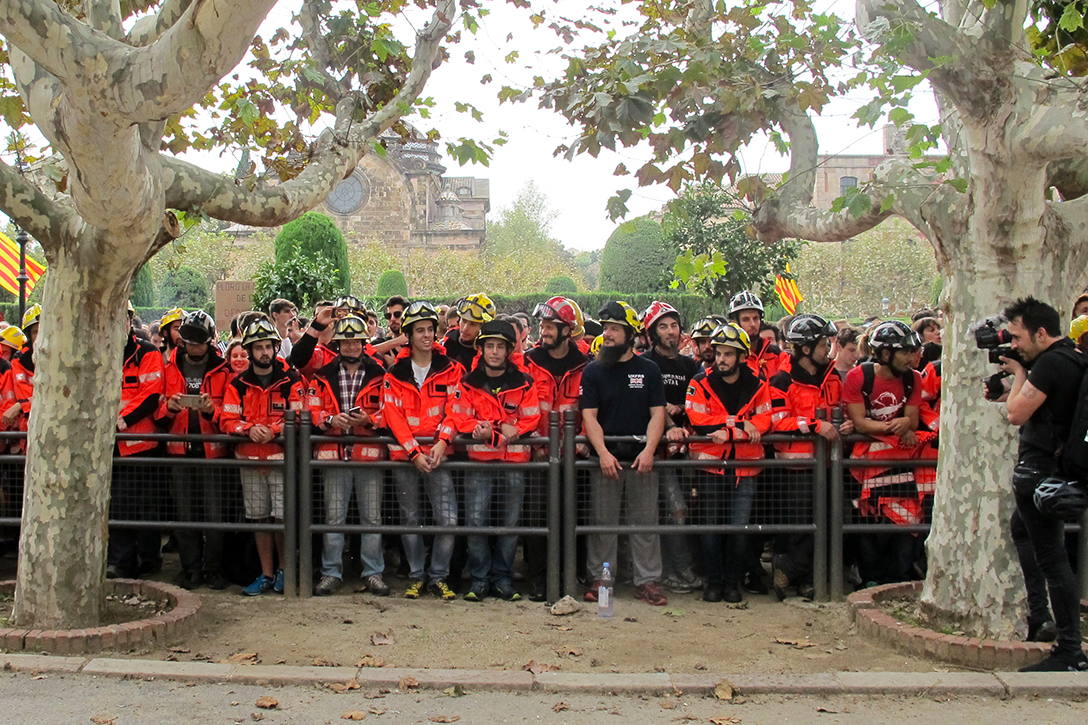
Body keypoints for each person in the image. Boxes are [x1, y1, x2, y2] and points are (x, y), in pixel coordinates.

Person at [1000, 297, 1088, 671]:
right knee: (1021, 530)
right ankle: (1041, 617)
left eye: (1018, 336)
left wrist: (1020, 372)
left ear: (1040, 332)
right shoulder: (1071, 359)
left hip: (1039, 474)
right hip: (1051, 471)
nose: (1014, 344)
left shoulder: (1050, 363)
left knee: (1053, 560)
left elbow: (1017, 413)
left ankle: (1069, 648)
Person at [581, 300, 669, 607]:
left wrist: (649, 450)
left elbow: (658, 414)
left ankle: (647, 581)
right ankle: (602, 578)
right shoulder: (593, 371)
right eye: (605, 328)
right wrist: (603, 453)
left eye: (615, 329)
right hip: (606, 460)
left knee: (646, 522)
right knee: (603, 523)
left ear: (630, 334)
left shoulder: (649, 370)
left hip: (641, 458)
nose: (607, 334)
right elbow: (588, 416)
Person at [450, 319, 540, 602]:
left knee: (510, 524)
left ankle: (502, 578)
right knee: (476, 523)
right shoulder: (466, 382)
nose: (494, 352)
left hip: (514, 465)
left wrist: (495, 430)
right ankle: (479, 579)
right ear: (481, 348)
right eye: (489, 346)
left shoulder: (525, 383)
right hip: (479, 464)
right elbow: (459, 417)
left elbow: (532, 417)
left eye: (500, 347)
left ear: (509, 350)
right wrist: (488, 429)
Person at [382, 301, 464, 600]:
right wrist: (413, 451)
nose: (427, 335)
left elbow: (456, 409)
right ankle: (417, 575)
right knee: (410, 519)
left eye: (431, 329)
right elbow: (393, 415)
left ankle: (438, 576)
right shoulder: (394, 373)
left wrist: (443, 441)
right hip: (407, 457)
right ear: (409, 335)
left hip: (439, 455)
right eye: (420, 330)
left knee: (448, 520)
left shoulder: (453, 369)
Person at [842, 320, 933, 587]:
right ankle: (869, 576)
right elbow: (859, 422)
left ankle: (897, 577)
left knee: (905, 520)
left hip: (901, 464)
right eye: (904, 352)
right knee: (869, 521)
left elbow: (913, 421)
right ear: (884, 354)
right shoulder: (859, 376)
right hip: (864, 467)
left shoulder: (913, 378)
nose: (910, 357)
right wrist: (896, 426)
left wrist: (905, 424)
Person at [768, 313, 852, 600]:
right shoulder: (781, 380)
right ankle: (793, 572)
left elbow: (838, 411)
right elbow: (777, 421)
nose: (829, 350)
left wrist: (845, 425)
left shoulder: (832, 377)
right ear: (805, 348)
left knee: (833, 520)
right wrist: (816, 425)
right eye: (823, 344)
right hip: (796, 468)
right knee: (801, 526)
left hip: (829, 463)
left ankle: (796, 574)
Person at [686, 323, 772, 603]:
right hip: (710, 467)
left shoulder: (759, 385)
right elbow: (699, 423)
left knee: (739, 529)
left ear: (742, 357)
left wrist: (731, 430)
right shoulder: (700, 382)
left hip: (746, 469)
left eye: (727, 354)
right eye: (718, 353)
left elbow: (764, 421)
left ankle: (732, 582)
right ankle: (714, 581)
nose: (720, 359)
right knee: (710, 528)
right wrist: (738, 424)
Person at [307, 315, 391, 597]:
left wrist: (369, 419)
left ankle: (373, 573)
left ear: (364, 343)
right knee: (334, 519)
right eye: (347, 341)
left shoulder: (381, 375)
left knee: (372, 519)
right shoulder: (323, 375)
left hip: (368, 455)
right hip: (333, 454)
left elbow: (390, 412)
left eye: (357, 341)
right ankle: (331, 573)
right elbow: (312, 409)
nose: (352, 346)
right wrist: (330, 420)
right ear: (339, 344)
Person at [221, 319, 305, 596]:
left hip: (281, 461)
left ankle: (284, 571)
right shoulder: (238, 384)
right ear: (250, 350)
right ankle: (266, 574)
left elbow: (301, 415)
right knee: (259, 519)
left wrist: (274, 430)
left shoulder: (291, 380)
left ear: (276, 347)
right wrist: (248, 429)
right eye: (259, 347)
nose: (264, 352)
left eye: (268, 346)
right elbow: (227, 419)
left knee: (282, 519)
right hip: (250, 461)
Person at [156, 310, 232, 590]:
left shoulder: (224, 371)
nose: (195, 347)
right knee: (184, 513)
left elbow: (232, 412)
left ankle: (213, 569)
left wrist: (214, 411)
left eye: (200, 342)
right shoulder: (168, 369)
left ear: (210, 342)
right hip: (179, 450)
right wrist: (169, 408)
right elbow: (158, 408)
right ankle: (190, 569)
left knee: (215, 514)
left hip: (213, 452)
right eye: (190, 342)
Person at [524, 295, 590, 601]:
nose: (544, 331)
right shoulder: (528, 363)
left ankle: (572, 574)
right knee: (537, 518)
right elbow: (519, 406)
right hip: (538, 456)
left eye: (550, 326)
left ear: (567, 330)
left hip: (574, 459)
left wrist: (584, 441)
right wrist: (532, 441)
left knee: (574, 516)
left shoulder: (587, 367)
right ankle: (538, 577)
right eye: (542, 324)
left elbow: (593, 409)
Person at [640, 300, 702, 594]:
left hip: (685, 449)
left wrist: (682, 413)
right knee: (672, 508)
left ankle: (680, 565)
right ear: (652, 332)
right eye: (663, 326)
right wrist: (666, 419)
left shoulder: (689, 365)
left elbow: (698, 401)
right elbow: (649, 406)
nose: (670, 331)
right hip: (656, 450)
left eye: (674, 325)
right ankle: (675, 568)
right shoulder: (645, 363)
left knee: (686, 508)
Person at [107, 310, 166, 579]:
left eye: (123, 318)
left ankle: (148, 557)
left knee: (145, 505)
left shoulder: (147, 352)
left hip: (140, 443)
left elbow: (151, 395)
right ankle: (122, 562)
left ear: (130, 321)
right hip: (110, 446)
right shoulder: (101, 349)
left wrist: (122, 420)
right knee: (118, 505)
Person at [728, 291, 789, 379]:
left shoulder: (777, 354)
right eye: (746, 319)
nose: (752, 324)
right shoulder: (728, 356)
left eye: (756, 318)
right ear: (735, 323)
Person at [443, 293, 496, 369]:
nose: (465, 328)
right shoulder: (445, 346)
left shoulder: (493, 353)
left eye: (473, 324)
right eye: (464, 321)